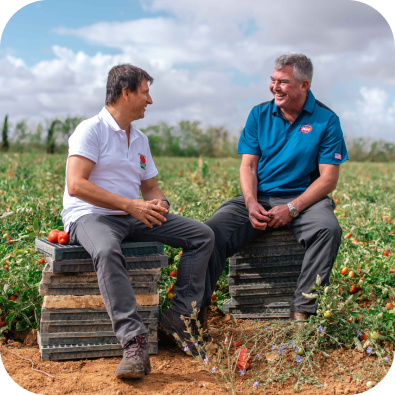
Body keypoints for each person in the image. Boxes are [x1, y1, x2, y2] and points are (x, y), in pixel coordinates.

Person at [61, 64, 213, 379]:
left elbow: (150, 188)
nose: (150, 100)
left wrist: (161, 203)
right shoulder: (91, 130)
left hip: (133, 214)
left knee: (202, 236)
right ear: (126, 92)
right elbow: (76, 184)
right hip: (91, 215)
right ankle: (134, 342)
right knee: (105, 251)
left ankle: (179, 317)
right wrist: (130, 205)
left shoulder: (140, 139)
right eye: (145, 92)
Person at [198, 53, 348, 328]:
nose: (275, 87)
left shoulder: (326, 120)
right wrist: (251, 202)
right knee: (211, 233)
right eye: (272, 80)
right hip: (260, 196)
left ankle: (302, 311)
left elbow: (328, 180)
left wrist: (292, 208)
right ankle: (194, 314)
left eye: (283, 82)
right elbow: (248, 167)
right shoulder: (259, 114)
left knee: (328, 229)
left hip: (305, 200)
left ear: (304, 85)